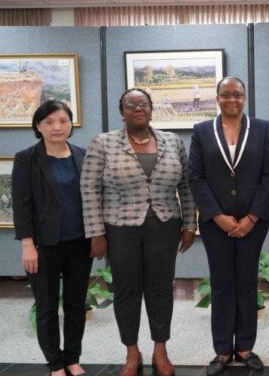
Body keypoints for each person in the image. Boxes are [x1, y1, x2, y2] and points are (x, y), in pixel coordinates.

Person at [80, 89, 196, 376]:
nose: (138, 108)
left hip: (164, 225)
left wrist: (190, 224)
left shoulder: (172, 141)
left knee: (160, 290)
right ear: (122, 112)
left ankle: (161, 350)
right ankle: (132, 352)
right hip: (120, 228)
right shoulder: (103, 142)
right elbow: (89, 188)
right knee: (126, 291)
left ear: (152, 109)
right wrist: (96, 232)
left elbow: (187, 186)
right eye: (131, 105)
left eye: (143, 104)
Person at [188, 76, 269, 375]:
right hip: (216, 224)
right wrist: (217, 215)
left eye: (237, 95)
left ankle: (246, 347)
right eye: (226, 95)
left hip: (253, 222)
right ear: (217, 98)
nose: (232, 100)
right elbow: (195, 177)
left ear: (245, 98)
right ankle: (223, 349)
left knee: (247, 283)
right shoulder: (202, 131)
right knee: (222, 283)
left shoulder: (261, 128)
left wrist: (252, 217)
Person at [12, 100, 92, 376]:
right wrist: (27, 245)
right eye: (49, 122)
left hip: (80, 244)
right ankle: (55, 364)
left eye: (62, 120)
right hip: (43, 246)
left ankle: (72, 358)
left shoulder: (83, 155)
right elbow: (21, 205)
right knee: (46, 307)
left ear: (71, 123)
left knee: (75, 304)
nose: (57, 127)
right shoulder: (27, 159)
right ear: (38, 126)